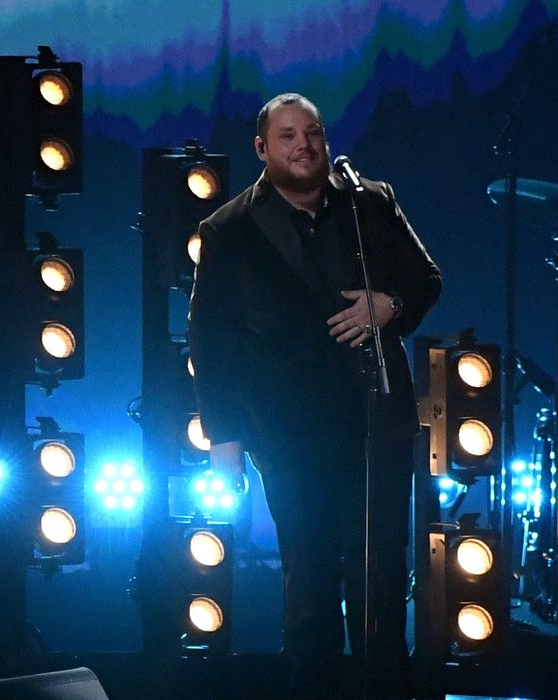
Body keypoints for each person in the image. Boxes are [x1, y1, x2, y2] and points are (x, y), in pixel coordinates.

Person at [188, 93, 442, 698]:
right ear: (262, 148)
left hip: (376, 423)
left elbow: (426, 278)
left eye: (313, 133)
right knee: (310, 582)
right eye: (288, 136)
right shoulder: (228, 229)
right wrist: (223, 436)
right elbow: (209, 340)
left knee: (381, 580)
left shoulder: (370, 202)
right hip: (288, 432)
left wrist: (391, 304)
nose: (304, 145)